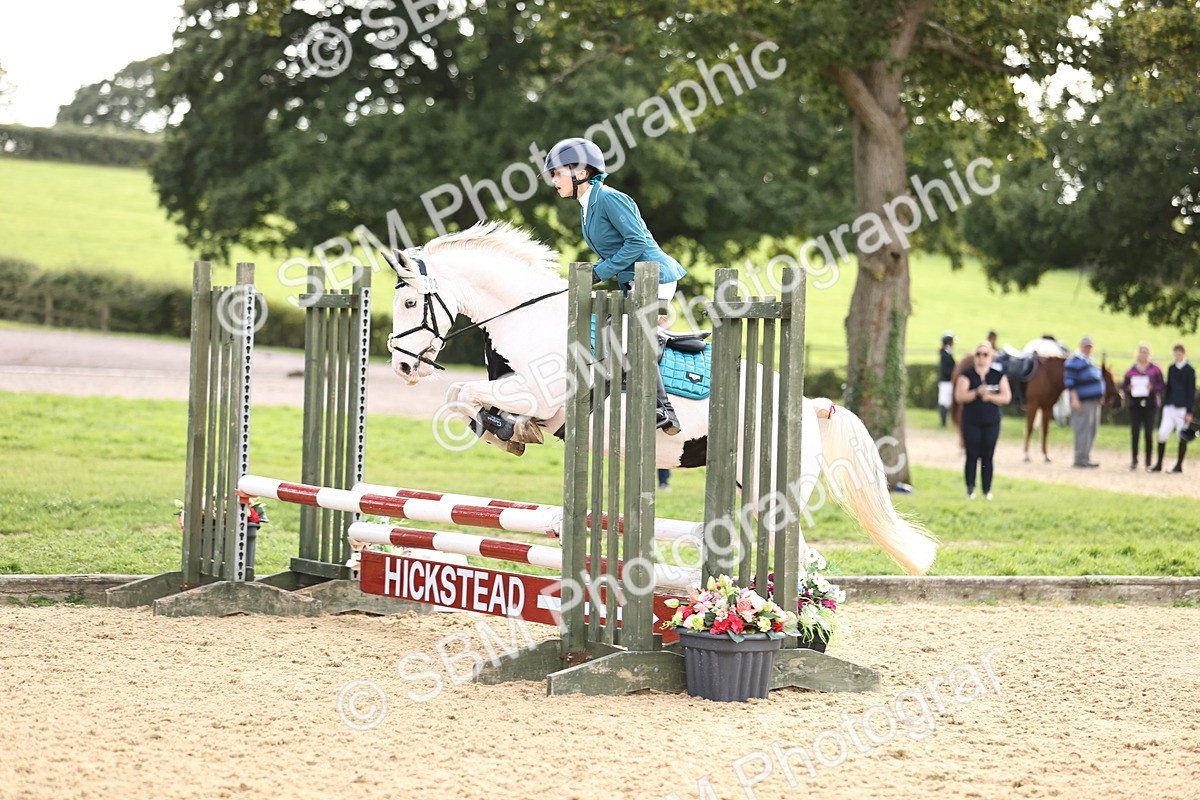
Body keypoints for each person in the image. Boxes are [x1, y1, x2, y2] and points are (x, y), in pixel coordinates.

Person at [544, 137, 688, 435]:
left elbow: (636, 242)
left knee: (624, 335)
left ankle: (663, 408)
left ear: (580, 171)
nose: (553, 180)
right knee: (608, 329)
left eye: (557, 173)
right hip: (633, 281)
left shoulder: (609, 197)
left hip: (656, 276)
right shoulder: (586, 207)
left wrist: (599, 273)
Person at [954, 342, 1011, 499]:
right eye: (978, 354)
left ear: (990, 356)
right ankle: (970, 488)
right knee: (971, 454)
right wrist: (976, 393)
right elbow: (960, 397)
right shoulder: (967, 375)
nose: (981, 357)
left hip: (991, 422)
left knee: (988, 455)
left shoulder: (997, 375)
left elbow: (1006, 397)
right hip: (971, 421)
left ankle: (987, 490)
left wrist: (990, 396)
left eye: (985, 354)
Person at [1150, 343, 1196, 473]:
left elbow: (1191, 392)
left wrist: (1189, 411)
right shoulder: (1171, 368)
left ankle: (1179, 465)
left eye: (1180, 353)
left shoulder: (1189, 370)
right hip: (1170, 407)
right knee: (1162, 433)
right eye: (1176, 353)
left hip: (1183, 409)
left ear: (1183, 353)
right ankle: (1159, 464)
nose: (1177, 355)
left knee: (1181, 436)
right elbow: (1169, 387)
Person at [1122, 344, 1165, 470]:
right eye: (1141, 352)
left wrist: (1153, 387)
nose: (1143, 355)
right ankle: (1134, 459)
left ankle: (1148, 460)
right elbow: (1124, 387)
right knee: (1135, 432)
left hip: (1151, 404)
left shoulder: (1155, 369)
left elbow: (1162, 385)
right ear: (1138, 354)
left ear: (1149, 354)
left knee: (1148, 433)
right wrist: (1129, 388)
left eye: (1146, 352)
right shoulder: (1131, 371)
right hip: (1135, 405)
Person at [1064, 335, 1104, 468]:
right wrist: (1074, 399)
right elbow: (1070, 382)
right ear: (1081, 346)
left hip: (1094, 400)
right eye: (1086, 347)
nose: (1088, 349)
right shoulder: (1074, 362)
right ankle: (1079, 458)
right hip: (1082, 401)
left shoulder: (1091, 361)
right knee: (1082, 429)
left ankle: (1086, 457)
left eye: (1090, 347)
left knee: (1092, 430)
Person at [937, 332, 956, 428]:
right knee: (944, 402)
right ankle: (943, 423)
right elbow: (946, 369)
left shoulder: (947, 353)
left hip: (947, 381)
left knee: (946, 402)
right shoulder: (945, 354)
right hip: (946, 381)